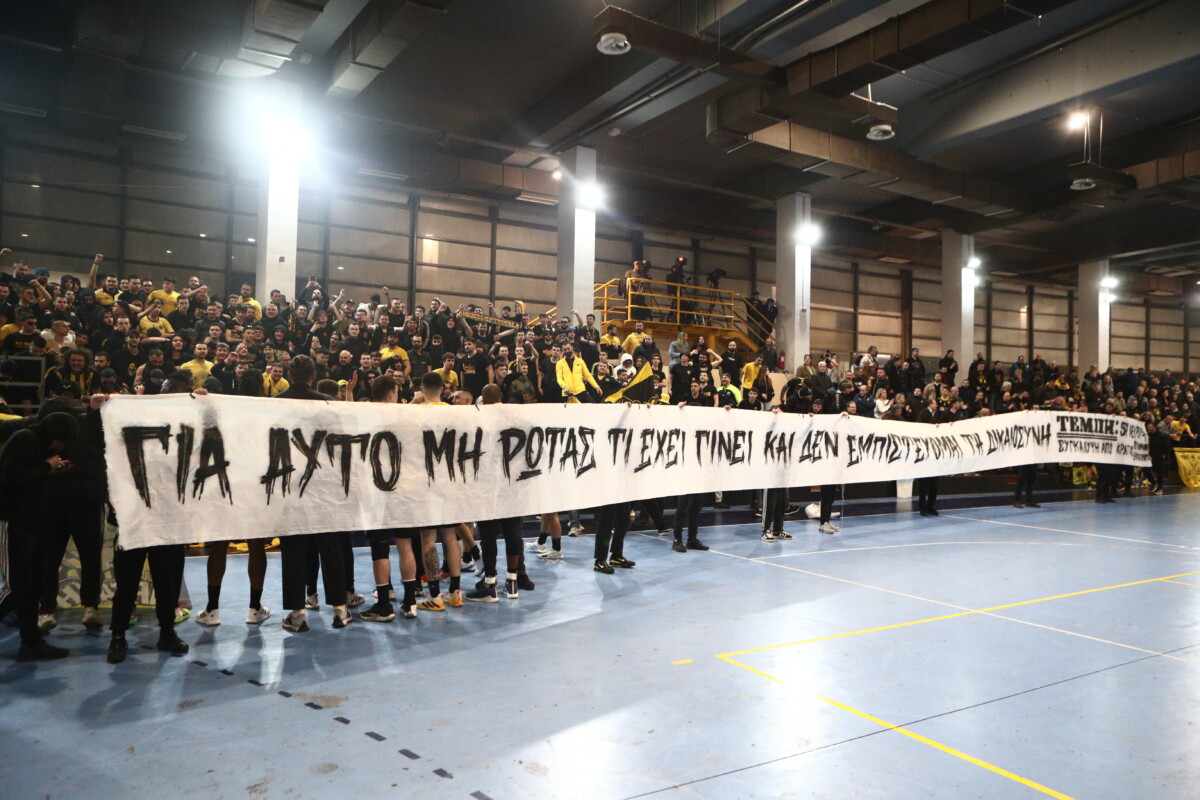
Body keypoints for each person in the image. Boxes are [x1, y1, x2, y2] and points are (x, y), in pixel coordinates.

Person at [103, 376, 192, 663]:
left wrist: (203, 401)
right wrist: (99, 408)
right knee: (126, 585)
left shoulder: (185, 433)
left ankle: (167, 632)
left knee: (167, 583)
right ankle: (118, 636)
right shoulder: (134, 424)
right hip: (135, 522)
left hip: (169, 522)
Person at [275, 356, 353, 632]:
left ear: (288, 373)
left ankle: (298, 613)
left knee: (294, 548)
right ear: (313, 375)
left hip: (293, 483)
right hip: (323, 483)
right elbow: (341, 440)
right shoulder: (326, 403)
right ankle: (340, 610)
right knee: (330, 546)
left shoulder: (278, 403)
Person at [0, 413, 77, 661]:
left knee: (33, 588)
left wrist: (50, 469)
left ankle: (31, 643)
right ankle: (30, 643)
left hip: (31, 526)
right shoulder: (25, 438)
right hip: (13, 524)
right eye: (60, 441)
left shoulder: (37, 444)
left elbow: (27, 479)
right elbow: (10, 478)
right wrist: (47, 466)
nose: (60, 447)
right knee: (16, 588)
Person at [671, 384, 711, 553]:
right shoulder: (683, 427)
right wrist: (677, 410)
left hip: (699, 471)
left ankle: (692, 539)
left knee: (696, 508)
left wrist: (726, 411)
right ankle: (677, 539)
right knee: (683, 507)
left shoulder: (703, 428)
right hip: (686, 471)